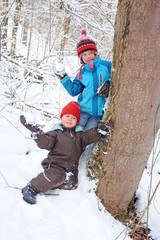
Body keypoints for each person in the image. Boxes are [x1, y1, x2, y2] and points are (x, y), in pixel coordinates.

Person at [20, 101, 113, 205]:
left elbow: (89, 136)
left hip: (70, 168)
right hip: (56, 165)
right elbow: (45, 143)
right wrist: (37, 133)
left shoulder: (79, 135)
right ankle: (32, 187)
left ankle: (51, 181)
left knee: (72, 184)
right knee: (56, 176)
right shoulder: (56, 133)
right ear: (61, 118)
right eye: (67, 116)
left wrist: (99, 130)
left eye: (73, 118)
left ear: (77, 121)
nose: (70, 119)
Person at [56, 30, 112, 131]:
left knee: (89, 133)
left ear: (96, 53)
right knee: (76, 132)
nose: (88, 56)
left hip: (98, 113)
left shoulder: (106, 66)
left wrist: (108, 85)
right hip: (83, 111)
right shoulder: (82, 73)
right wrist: (64, 78)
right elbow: (74, 91)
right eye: (84, 54)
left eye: (91, 53)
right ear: (81, 57)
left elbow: (115, 79)